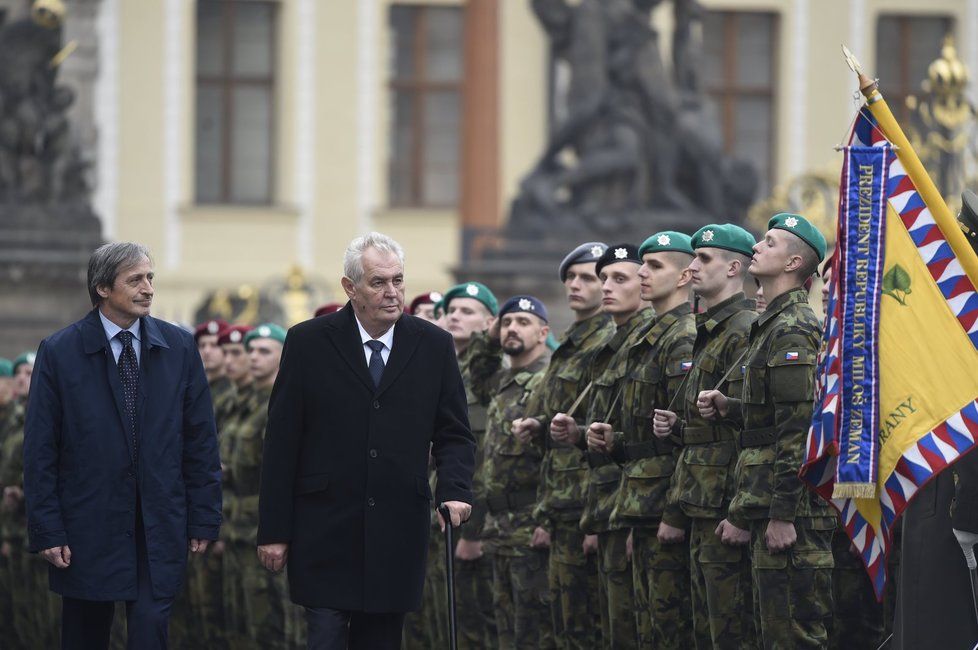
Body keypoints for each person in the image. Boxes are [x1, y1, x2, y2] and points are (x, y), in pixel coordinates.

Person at [256, 232, 475, 650]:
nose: (392, 292)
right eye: (379, 282)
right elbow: (282, 444)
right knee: (326, 637)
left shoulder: (433, 346)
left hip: (396, 530)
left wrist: (455, 489)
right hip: (324, 530)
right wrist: (274, 531)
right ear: (349, 287)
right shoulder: (307, 343)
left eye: (398, 280)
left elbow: (455, 433)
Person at [23, 242, 222, 650]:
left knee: (151, 629)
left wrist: (204, 516)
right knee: (85, 633)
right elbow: (41, 448)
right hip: (86, 524)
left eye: (150, 278)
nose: (148, 288)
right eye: (135, 280)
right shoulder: (61, 352)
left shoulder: (179, 348)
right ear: (102, 288)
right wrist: (47, 528)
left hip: (158, 522)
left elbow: (200, 438)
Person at [698, 214, 835, 648]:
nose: (757, 246)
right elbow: (773, 414)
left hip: (789, 512)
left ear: (794, 262)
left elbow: (798, 430)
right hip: (765, 503)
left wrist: (781, 513)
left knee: (791, 635)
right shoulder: (771, 325)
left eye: (770, 243)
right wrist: (732, 407)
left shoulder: (793, 327)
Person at [653, 224, 758, 648]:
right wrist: (678, 427)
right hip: (699, 501)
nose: (693, 267)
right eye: (692, 258)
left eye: (704, 259)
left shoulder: (744, 328)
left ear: (734, 267)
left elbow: (753, 428)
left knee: (729, 631)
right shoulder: (709, 329)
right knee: (704, 630)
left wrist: (742, 512)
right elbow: (704, 434)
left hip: (725, 505)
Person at [591, 232, 696, 649]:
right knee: (642, 626)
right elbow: (644, 431)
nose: (642, 273)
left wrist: (672, 510)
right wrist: (614, 440)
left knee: (666, 628)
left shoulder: (681, 337)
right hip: (639, 501)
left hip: (664, 505)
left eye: (654, 267)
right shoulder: (649, 335)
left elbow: (685, 438)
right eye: (643, 265)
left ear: (685, 274)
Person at [511, 242, 613, 649]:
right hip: (559, 502)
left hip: (584, 504)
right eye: (570, 277)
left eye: (587, 277)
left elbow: (606, 427)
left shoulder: (606, 341)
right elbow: (553, 415)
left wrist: (595, 517)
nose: (574, 284)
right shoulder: (571, 344)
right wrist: (534, 424)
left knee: (588, 625)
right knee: (564, 623)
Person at [572, 243, 652, 649]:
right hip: (609, 508)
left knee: (638, 630)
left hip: (640, 510)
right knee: (613, 628)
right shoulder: (611, 346)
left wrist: (640, 518)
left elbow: (654, 443)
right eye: (603, 278)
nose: (606, 287)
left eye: (619, 279)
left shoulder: (652, 342)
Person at [466, 294, 554, 649]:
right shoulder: (501, 381)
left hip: (530, 521)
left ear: (543, 332)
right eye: (507, 322)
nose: (512, 328)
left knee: (533, 631)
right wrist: (491, 333)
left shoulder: (548, 378)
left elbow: (559, 455)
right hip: (499, 525)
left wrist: (547, 520)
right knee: (505, 630)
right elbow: (478, 367)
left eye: (523, 322)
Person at [441, 281, 500, 650]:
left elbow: (487, 459)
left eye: (467, 311)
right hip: (442, 510)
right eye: (452, 310)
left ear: (489, 322)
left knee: (477, 624)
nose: (455, 316)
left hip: (477, 515)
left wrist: (474, 531)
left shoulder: (489, 372)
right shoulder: (442, 366)